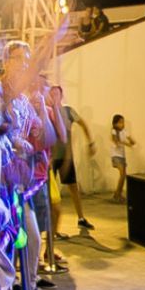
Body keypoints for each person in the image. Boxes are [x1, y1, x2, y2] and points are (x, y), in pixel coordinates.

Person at [51, 86, 96, 231]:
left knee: (73, 187)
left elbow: (83, 124)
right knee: (50, 192)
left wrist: (91, 143)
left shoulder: (68, 111)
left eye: (56, 94)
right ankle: (51, 227)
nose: (54, 96)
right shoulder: (48, 112)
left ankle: (81, 218)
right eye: (52, 94)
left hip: (66, 157)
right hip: (51, 158)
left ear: (61, 96)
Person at [110, 114, 135, 202]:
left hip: (122, 156)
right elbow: (116, 141)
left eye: (123, 122)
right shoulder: (114, 131)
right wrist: (126, 143)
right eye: (120, 122)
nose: (122, 124)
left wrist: (131, 141)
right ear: (115, 123)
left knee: (123, 176)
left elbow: (132, 141)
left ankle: (118, 194)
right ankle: (117, 194)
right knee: (122, 175)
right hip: (116, 155)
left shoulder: (124, 131)